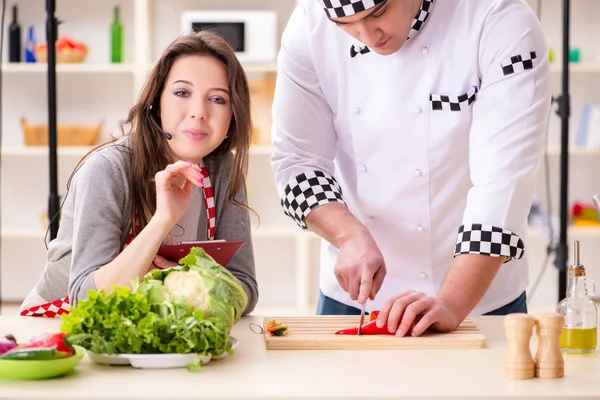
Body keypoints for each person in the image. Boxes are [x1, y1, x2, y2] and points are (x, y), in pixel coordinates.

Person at [270, 0, 551, 336]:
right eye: (345, 25)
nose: (366, 37)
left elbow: (503, 184)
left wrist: (451, 303)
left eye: (376, 14)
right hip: (353, 299)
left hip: (478, 300)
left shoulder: (499, 20)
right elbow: (297, 161)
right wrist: (348, 235)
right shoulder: (309, 24)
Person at [20, 30, 259, 317]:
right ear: (156, 103)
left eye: (218, 99)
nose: (199, 112)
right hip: (62, 327)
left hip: (158, 323)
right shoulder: (106, 171)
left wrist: (182, 280)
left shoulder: (223, 170)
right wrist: (163, 220)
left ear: (234, 114)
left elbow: (245, 288)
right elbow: (84, 299)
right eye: (182, 93)